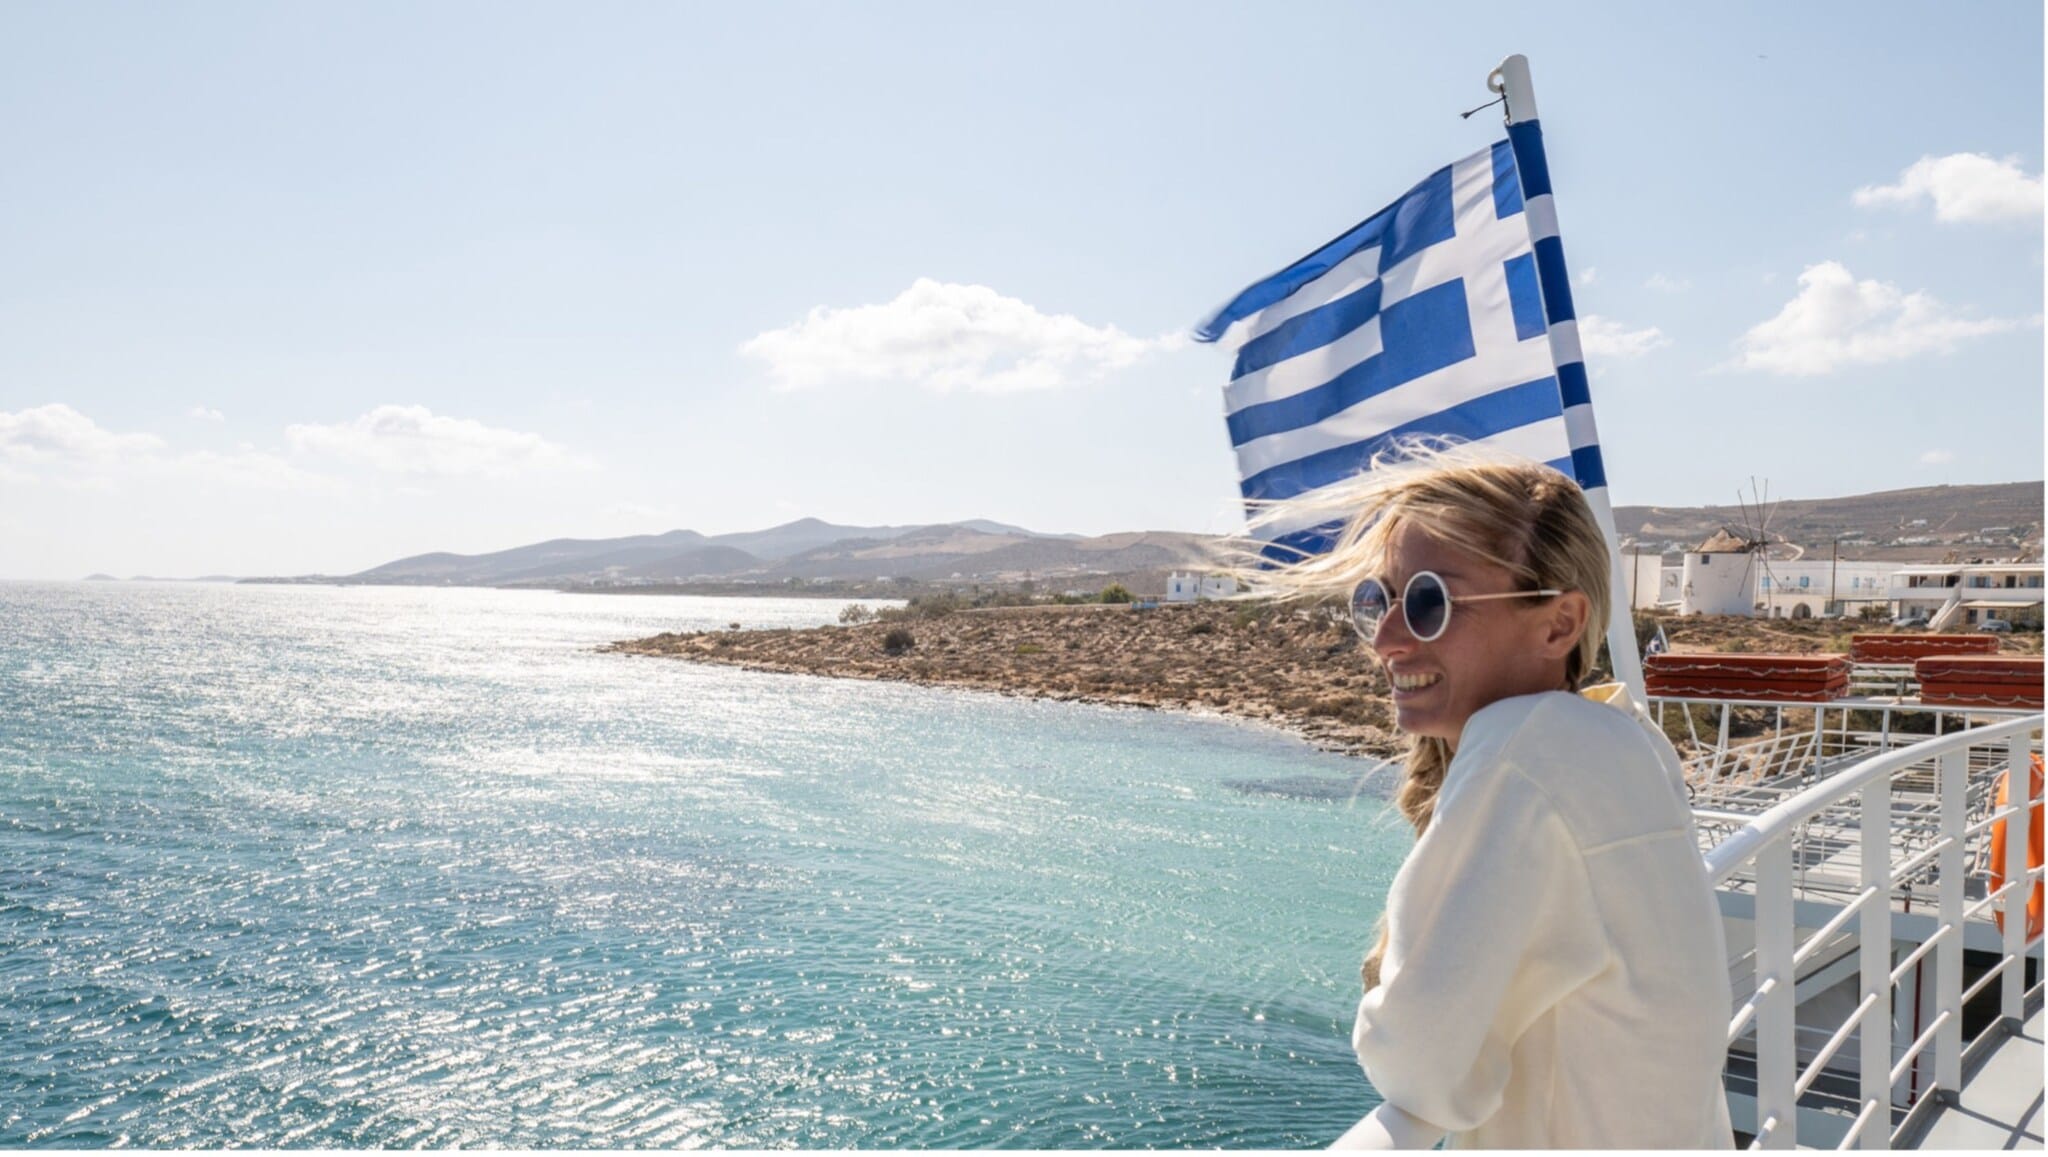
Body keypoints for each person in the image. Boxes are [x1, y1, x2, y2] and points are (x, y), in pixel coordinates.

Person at [1247, 442, 1732, 1150]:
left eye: (1428, 602)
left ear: (1559, 623)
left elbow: (1416, 1061)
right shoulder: (1626, 740)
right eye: (1377, 599)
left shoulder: (1527, 751)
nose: (1386, 637)